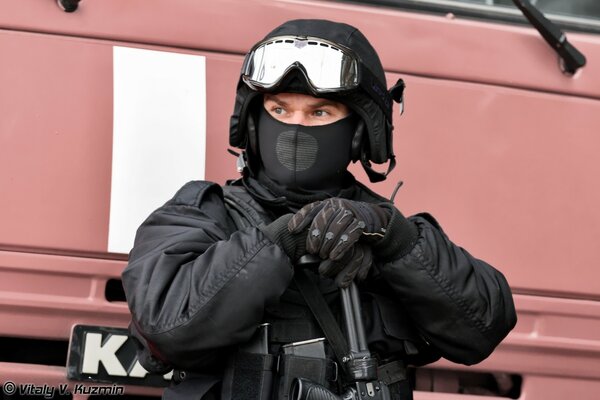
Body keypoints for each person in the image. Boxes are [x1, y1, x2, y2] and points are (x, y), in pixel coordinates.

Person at [122, 19, 517, 400]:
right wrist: (284, 240)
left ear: (359, 133)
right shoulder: (203, 214)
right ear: (255, 124)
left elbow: (483, 328)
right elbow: (168, 326)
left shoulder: (389, 232)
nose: (296, 129)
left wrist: (394, 238)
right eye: (280, 110)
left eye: (320, 113)